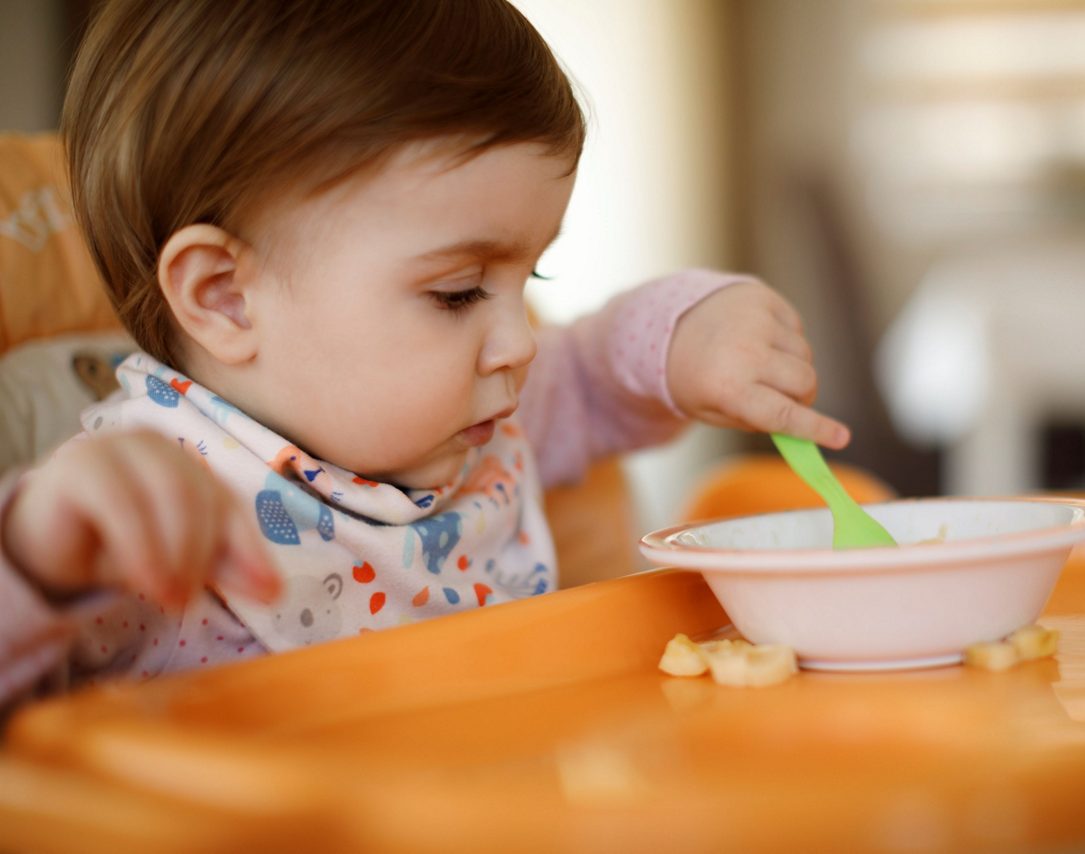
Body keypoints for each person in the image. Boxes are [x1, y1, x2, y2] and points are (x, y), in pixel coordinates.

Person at [0, 0, 848, 709]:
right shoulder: (132, 519)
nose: (521, 342)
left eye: (533, 270)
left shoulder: (474, 427)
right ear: (224, 294)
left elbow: (594, 369)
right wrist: (37, 559)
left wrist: (685, 333)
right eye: (458, 292)